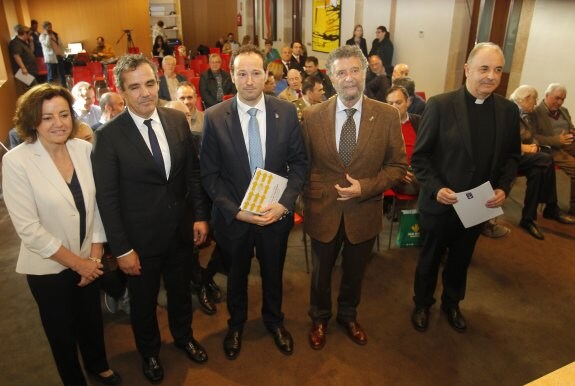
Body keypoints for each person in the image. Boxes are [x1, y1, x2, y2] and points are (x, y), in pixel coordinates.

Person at [92, 54, 210, 383]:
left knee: (179, 292)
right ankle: (150, 354)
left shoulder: (176, 119)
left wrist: (200, 216)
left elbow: (192, 174)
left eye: (149, 83)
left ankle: (184, 337)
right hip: (139, 243)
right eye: (135, 87)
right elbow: (108, 199)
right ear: (121, 92)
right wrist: (122, 249)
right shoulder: (109, 136)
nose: (144, 93)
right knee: (143, 305)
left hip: (180, 233)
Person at [2, 83, 121, 386]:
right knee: (61, 332)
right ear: (32, 121)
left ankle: (98, 365)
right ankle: (73, 380)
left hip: (88, 258)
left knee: (91, 321)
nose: (59, 123)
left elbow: (97, 207)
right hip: (48, 268)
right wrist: (78, 264)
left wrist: (93, 257)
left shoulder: (84, 149)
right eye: (47, 117)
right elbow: (29, 229)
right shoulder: (16, 161)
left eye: (64, 114)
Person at [200, 44, 308, 360]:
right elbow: (209, 175)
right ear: (232, 76)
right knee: (236, 277)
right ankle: (236, 325)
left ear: (266, 76)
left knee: (274, 272)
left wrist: (285, 203)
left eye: (256, 73)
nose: (249, 81)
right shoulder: (214, 117)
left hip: (275, 215)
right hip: (235, 220)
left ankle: (274, 321)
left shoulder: (286, 112)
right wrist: (237, 212)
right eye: (242, 73)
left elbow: (299, 163)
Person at [301, 45, 407, 350]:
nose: (349, 78)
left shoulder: (387, 116)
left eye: (354, 70)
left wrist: (367, 186)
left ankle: (348, 315)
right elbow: (303, 164)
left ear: (365, 73)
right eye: (341, 72)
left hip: (365, 209)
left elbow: (398, 166)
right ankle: (319, 317)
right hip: (323, 209)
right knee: (320, 275)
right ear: (331, 78)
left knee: (355, 273)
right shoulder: (311, 115)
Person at [410, 42, 521, 334]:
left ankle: (452, 303)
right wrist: (436, 189)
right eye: (484, 68)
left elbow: (512, 157)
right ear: (467, 70)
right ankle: (422, 303)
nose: (491, 76)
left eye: (497, 70)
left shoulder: (509, 111)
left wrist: (504, 188)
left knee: (461, 258)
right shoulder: (440, 105)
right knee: (430, 258)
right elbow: (420, 158)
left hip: (478, 205)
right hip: (441, 203)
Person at [510, 85, 575, 239]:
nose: (536, 102)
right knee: (546, 159)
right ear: (526, 99)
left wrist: (534, 146)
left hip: (529, 153)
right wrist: (525, 147)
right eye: (534, 99)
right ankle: (551, 208)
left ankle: (528, 218)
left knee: (539, 169)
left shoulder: (527, 113)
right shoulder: (510, 113)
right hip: (512, 156)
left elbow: (531, 135)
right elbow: (502, 141)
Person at [533, 83, 575, 216]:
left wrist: (572, 132)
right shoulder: (535, 112)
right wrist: (557, 140)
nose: (560, 102)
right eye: (557, 98)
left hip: (569, 144)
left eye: (562, 99)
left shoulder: (564, 111)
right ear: (547, 95)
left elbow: (571, 127)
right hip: (551, 149)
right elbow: (534, 138)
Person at [386, 85, 421, 195]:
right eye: (390, 103)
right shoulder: (380, 125)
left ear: (408, 102)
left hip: (418, 170)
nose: (394, 106)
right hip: (393, 173)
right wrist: (398, 171)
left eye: (398, 102)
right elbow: (376, 157)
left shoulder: (419, 122)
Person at [9, 24, 38, 95]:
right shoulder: (15, 43)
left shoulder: (24, 42)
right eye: (28, 34)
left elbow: (32, 51)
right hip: (23, 72)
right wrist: (23, 68)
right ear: (24, 33)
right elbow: (16, 55)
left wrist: (31, 42)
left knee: (34, 89)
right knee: (35, 90)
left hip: (30, 70)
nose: (29, 36)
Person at [39, 21, 66, 85]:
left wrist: (62, 53)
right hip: (50, 58)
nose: (50, 28)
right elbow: (47, 44)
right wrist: (48, 35)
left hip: (58, 55)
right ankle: (50, 89)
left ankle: (64, 87)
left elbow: (60, 44)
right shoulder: (42, 36)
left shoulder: (55, 34)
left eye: (51, 27)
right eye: (49, 27)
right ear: (45, 28)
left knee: (61, 73)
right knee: (51, 75)